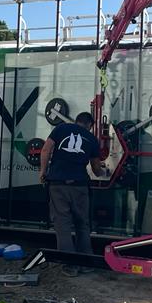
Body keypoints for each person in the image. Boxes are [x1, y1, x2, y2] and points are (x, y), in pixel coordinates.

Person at [39, 111, 104, 271]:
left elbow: (45, 150)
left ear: (76, 121)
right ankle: (86, 263)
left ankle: (70, 266)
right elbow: (96, 169)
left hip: (58, 185)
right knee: (82, 224)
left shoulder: (61, 129)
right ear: (90, 125)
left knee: (62, 225)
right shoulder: (92, 139)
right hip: (80, 186)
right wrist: (103, 172)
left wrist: (42, 171)